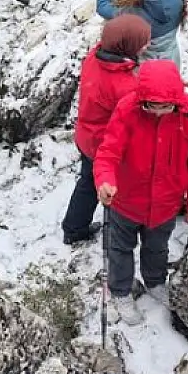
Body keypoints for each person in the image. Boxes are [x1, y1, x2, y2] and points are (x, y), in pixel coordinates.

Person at [94, 60, 188, 325]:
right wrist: (105, 181)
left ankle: (155, 281)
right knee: (120, 249)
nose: (158, 112)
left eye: (165, 107)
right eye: (151, 106)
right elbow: (108, 152)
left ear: (177, 100)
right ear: (142, 99)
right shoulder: (127, 109)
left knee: (157, 248)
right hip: (125, 200)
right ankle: (121, 291)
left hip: (166, 203)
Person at [61, 14, 151, 246]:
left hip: (86, 134)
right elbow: (138, 115)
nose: (147, 45)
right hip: (101, 143)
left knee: (87, 181)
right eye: (143, 42)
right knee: (99, 183)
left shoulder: (95, 56)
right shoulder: (122, 86)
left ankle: (74, 227)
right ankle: (80, 229)